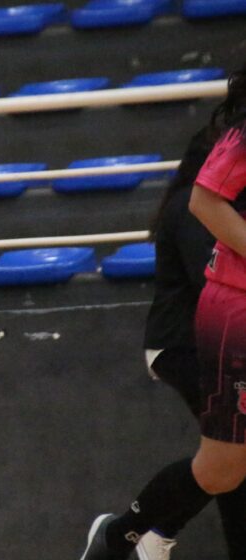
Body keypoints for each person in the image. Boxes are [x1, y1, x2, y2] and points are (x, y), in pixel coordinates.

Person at [80, 63, 246, 560]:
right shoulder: (238, 137)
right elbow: (204, 200)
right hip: (231, 315)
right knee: (224, 469)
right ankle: (123, 537)